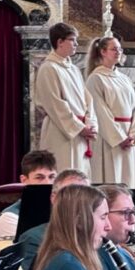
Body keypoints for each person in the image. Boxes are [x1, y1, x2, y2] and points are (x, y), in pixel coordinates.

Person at [35, 22, 97, 176]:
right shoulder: (48, 68)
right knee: (63, 177)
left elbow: (87, 100)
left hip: (80, 132)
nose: (76, 44)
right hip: (60, 132)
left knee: (80, 177)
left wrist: (90, 123)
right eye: (72, 39)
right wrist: (80, 127)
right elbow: (55, 104)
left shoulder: (74, 69)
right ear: (59, 42)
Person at [85, 36, 135, 188]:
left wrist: (133, 134)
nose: (118, 52)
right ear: (103, 52)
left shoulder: (124, 79)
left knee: (128, 181)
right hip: (109, 139)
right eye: (114, 49)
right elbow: (99, 111)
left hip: (128, 137)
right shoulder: (96, 79)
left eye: (120, 49)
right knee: (111, 179)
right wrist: (119, 138)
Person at [0, 150, 57, 238]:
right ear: (24, 180)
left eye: (51, 177)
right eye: (39, 177)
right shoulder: (9, 218)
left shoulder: (61, 209)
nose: (48, 183)